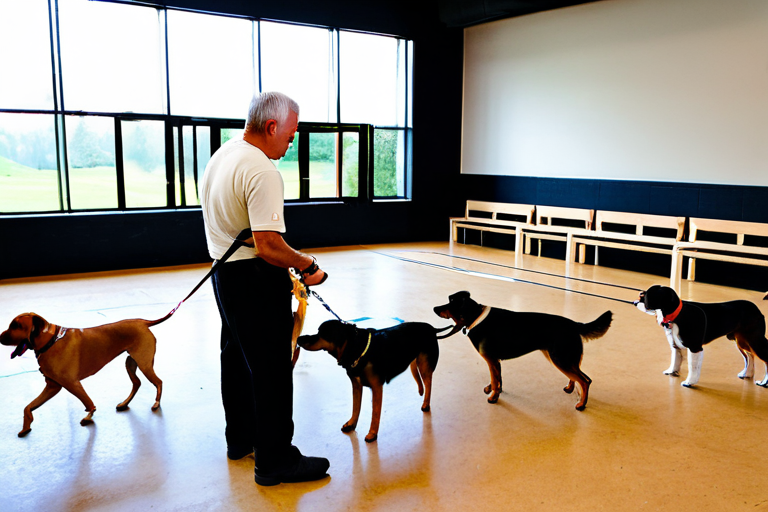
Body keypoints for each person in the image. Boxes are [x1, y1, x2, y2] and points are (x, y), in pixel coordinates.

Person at [199, 91, 330, 486]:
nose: (292, 142)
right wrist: (307, 264)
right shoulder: (262, 170)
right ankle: (275, 462)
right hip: (254, 280)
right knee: (272, 370)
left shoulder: (224, 154)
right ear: (271, 127)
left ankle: (240, 440)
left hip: (224, 275)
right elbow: (269, 245)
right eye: (290, 135)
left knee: (236, 359)